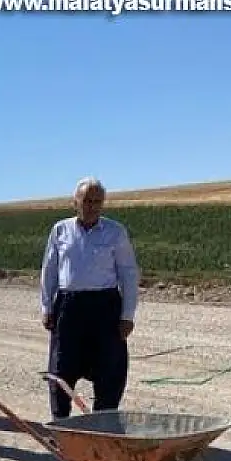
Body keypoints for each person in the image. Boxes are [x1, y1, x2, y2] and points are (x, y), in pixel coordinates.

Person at [40, 177, 140, 420]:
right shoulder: (60, 230)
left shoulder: (115, 232)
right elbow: (49, 270)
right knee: (62, 366)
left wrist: (127, 316)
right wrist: (46, 306)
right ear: (75, 202)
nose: (92, 206)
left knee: (109, 368)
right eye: (87, 200)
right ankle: (61, 424)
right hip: (68, 306)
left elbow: (128, 273)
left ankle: (103, 423)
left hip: (105, 306)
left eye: (97, 201)